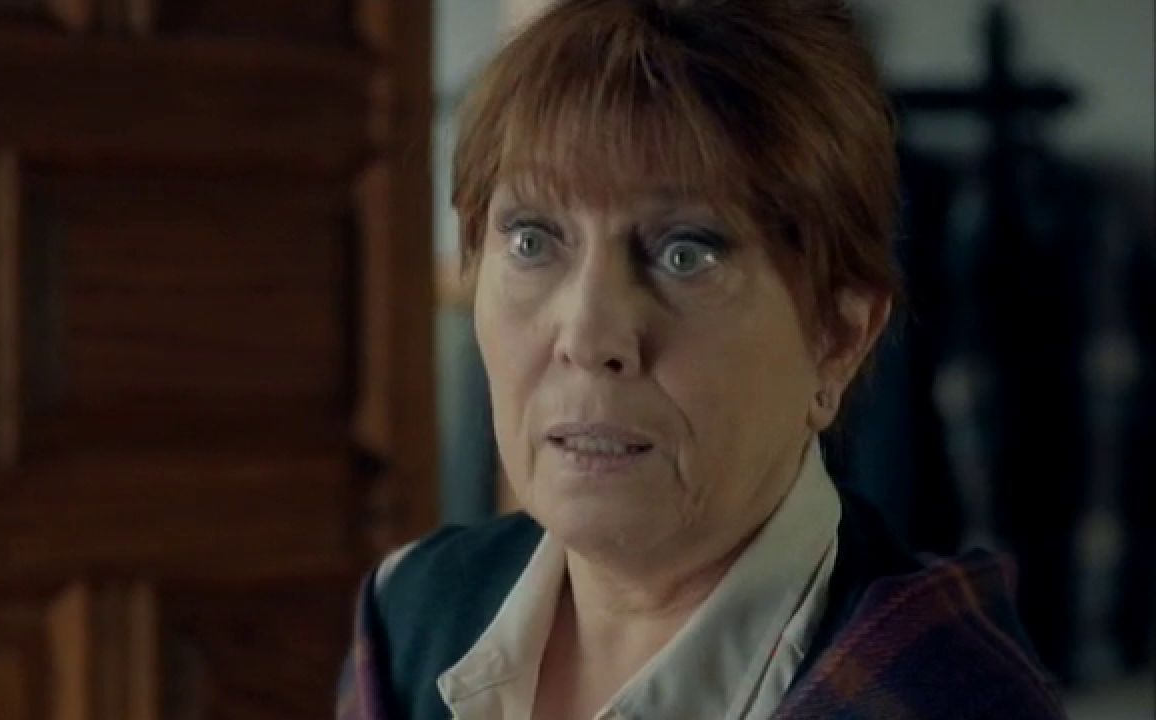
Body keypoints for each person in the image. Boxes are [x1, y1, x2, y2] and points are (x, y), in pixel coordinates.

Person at [338, 1, 1069, 718]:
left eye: (684, 253)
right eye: (532, 240)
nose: (588, 337)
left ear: (837, 338)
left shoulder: (946, 699)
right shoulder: (409, 615)